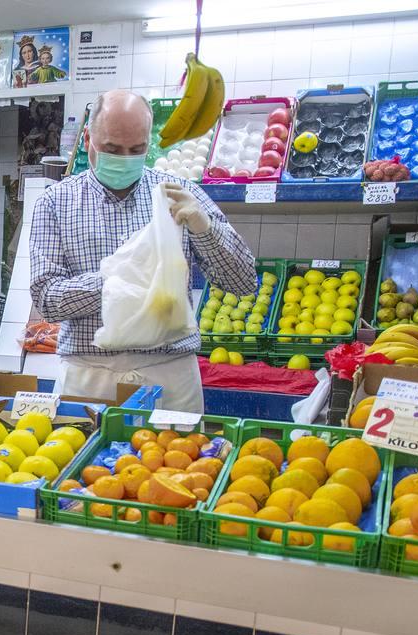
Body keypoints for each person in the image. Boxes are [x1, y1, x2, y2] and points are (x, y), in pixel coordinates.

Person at [29, 90, 256, 413]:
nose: (124, 158)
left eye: (136, 150)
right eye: (111, 149)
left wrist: (205, 228)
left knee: (178, 464)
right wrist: (122, 281)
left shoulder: (180, 195)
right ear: (88, 139)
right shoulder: (55, 203)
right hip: (88, 377)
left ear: (149, 143)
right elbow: (47, 298)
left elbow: (244, 282)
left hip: (171, 377)